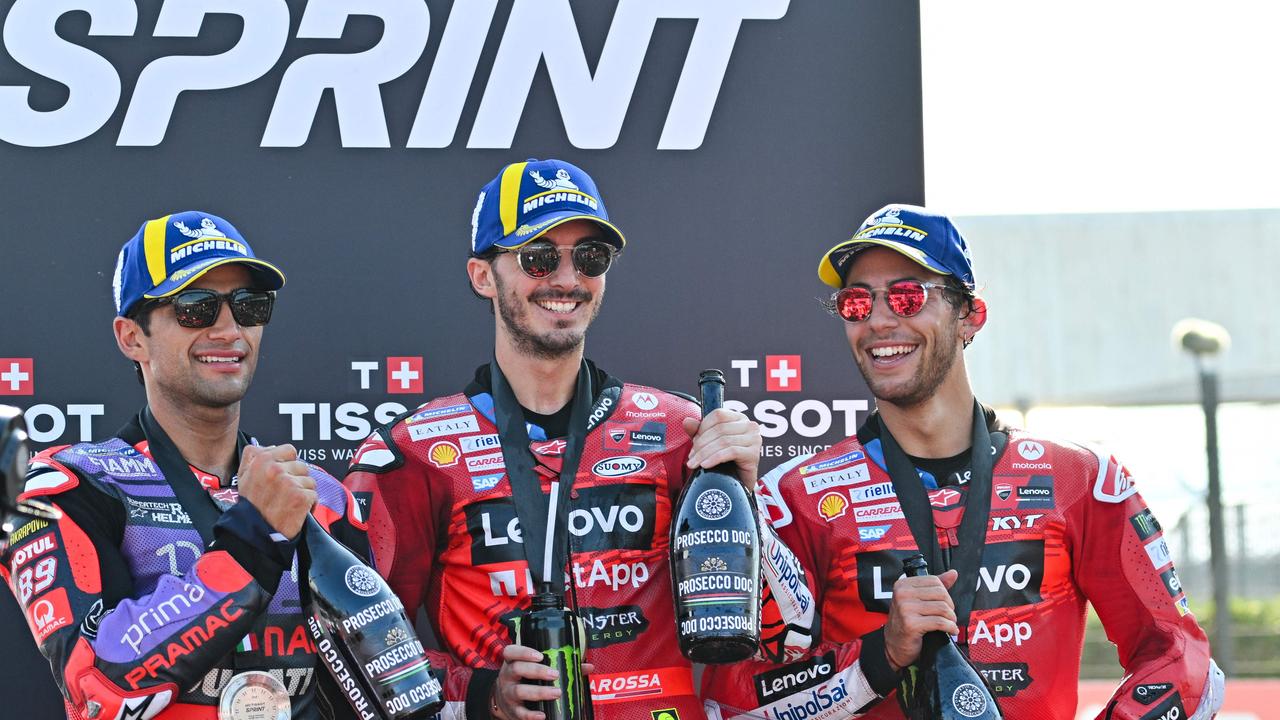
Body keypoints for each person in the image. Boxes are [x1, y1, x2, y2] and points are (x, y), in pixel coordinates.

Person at [701, 204, 1224, 719]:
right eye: (857, 303)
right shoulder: (793, 498)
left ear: (970, 316)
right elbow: (731, 700)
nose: (880, 320)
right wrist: (881, 654)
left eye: (907, 297)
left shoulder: (1079, 480)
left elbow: (1184, 660)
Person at [344, 159, 815, 720]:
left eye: (589, 257)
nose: (566, 279)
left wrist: (749, 502)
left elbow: (790, 636)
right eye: (539, 256)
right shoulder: (414, 452)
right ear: (481, 276)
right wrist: (479, 694)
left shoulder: (678, 430)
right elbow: (357, 646)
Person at [1, 211, 369, 719]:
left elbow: (378, 684)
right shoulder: (65, 488)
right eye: (196, 308)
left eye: (248, 306)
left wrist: (484, 693)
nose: (228, 328)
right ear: (131, 337)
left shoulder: (324, 497)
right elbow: (94, 682)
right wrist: (252, 539)